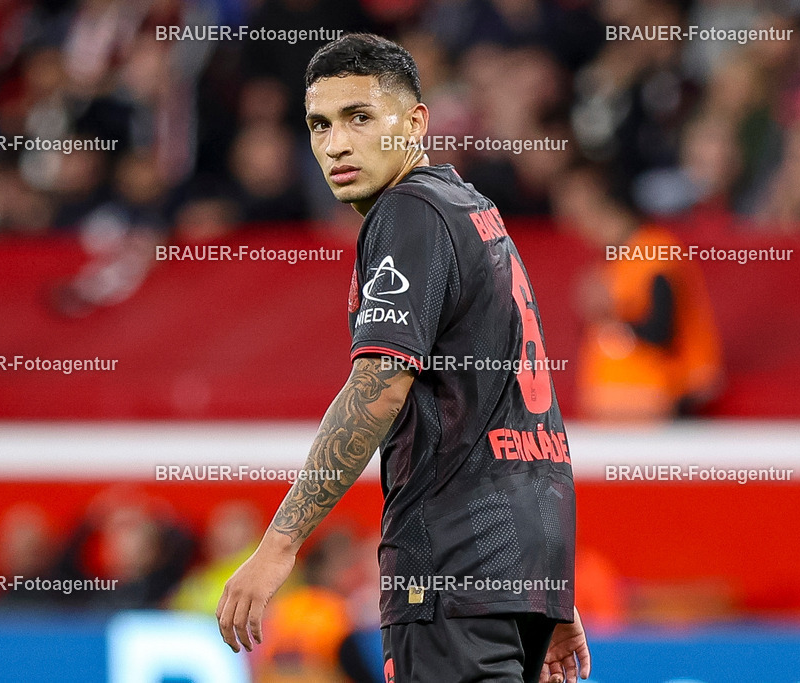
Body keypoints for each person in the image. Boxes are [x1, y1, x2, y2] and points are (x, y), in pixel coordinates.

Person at [217, 33, 590, 683]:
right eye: (320, 125)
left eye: (359, 117)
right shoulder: (472, 209)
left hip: (449, 572)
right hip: (512, 569)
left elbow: (380, 387)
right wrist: (543, 584)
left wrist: (279, 543)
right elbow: (521, 408)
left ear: (416, 122)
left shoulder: (408, 214)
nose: (336, 143)